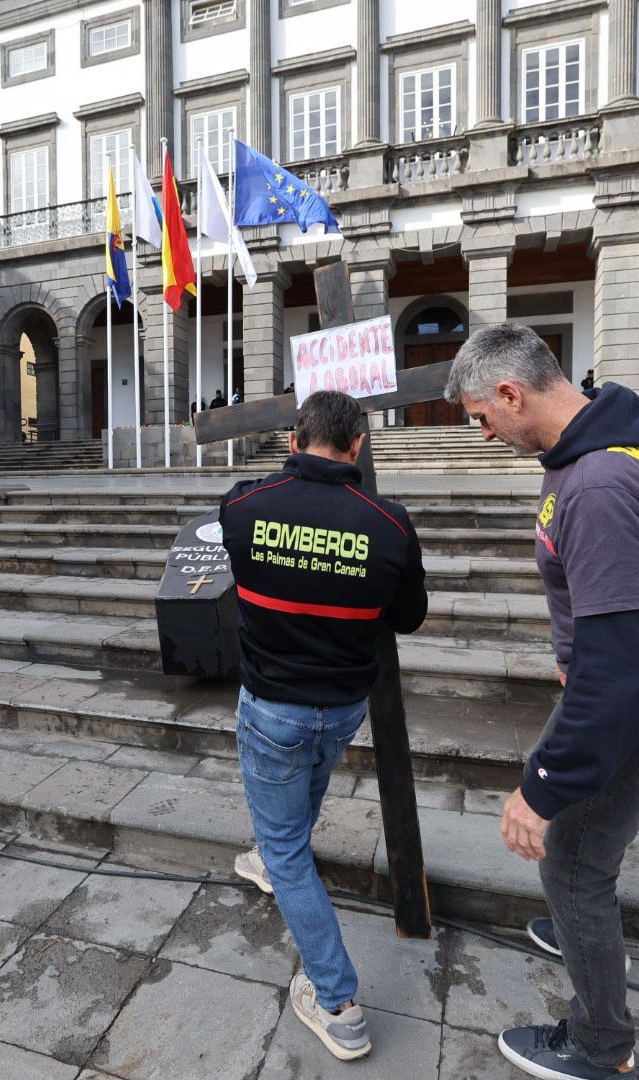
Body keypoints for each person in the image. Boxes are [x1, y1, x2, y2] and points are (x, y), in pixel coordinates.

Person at [444, 324, 639, 1080]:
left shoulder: (598, 483)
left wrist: (539, 790)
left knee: (570, 860)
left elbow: (620, 675)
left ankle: (601, 1044)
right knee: (584, 851)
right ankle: (579, 923)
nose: (483, 433)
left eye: (481, 417)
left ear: (511, 393)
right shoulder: (605, 442)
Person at [219, 389, 428, 1063]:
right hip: (340, 710)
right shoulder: (389, 525)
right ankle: (273, 857)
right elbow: (409, 616)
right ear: (359, 447)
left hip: (272, 706)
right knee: (290, 815)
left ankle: (338, 1004)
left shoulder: (244, 507)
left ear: (291, 441)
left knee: (285, 845)